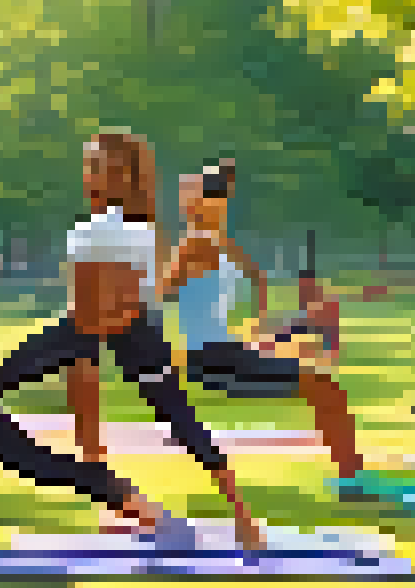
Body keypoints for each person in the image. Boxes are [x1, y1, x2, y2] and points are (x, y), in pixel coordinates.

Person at [0, 126, 265, 550]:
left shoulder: (120, 230)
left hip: (118, 328)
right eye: (89, 164)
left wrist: (94, 328)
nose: (90, 173)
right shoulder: (112, 229)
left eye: (100, 166)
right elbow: (102, 299)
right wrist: (85, 338)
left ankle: (237, 517)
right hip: (102, 326)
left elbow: (118, 300)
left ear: (124, 176)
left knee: (181, 421)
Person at [145, 160, 366, 484]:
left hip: (230, 350)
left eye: (218, 196)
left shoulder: (219, 243)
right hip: (211, 360)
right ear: (192, 204)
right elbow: (159, 294)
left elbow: (257, 278)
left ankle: (353, 478)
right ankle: (353, 482)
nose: (216, 204)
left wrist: (258, 328)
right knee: (326, 389)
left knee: (327, 389)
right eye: (201, 196)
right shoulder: (193, 244)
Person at [258, 270, 344, 369]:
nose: (302, 293)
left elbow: (306, 327)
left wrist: (277, 338)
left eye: (304, 287)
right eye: (301, 288)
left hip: (320, 356)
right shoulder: (314, 304)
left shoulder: (323, 304)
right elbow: (298, 325)